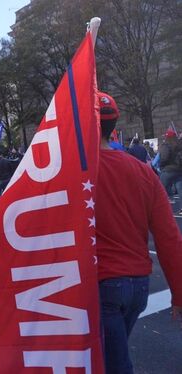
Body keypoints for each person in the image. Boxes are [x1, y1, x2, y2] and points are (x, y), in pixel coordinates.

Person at [95, 92, 182, 373]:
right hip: (137, 286)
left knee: (114, 365)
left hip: (101, 285)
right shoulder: (144, 172)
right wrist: (178, 293)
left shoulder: (74, 174)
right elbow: (169, 237)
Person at [158, 129, 182, 199]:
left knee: (161, 188)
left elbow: (164, 157)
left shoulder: (166, 145)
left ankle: (167, 203)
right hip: (179, 169)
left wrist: (161, 165)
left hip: (168, 169)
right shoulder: (179, 145)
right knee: (180, 188)